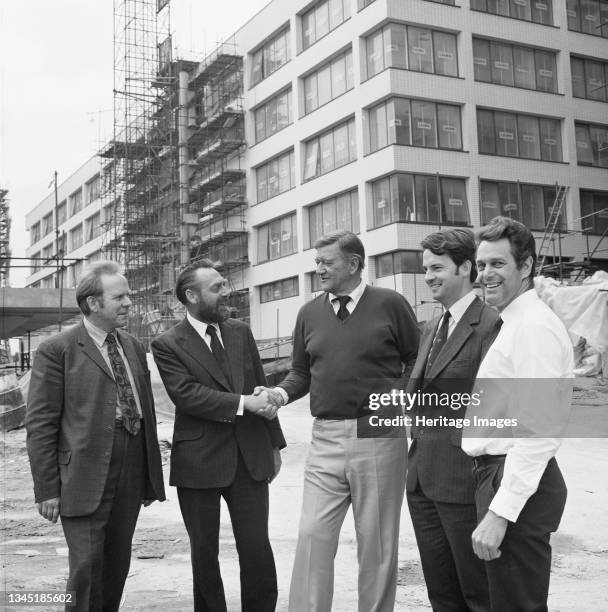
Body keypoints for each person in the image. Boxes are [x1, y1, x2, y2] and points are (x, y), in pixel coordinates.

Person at [260, 230, 420, 612]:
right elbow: (300, 372)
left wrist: (398, 397)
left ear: (353, 263)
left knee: (377, 543)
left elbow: (417, 360)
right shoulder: (309, 313)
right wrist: (279, 395)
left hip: (379, 434)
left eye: (326, 262)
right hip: (325, 436)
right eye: (317, 262)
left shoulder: (391, 304)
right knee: (313, 535)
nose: (319, 269)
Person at [25, 261, 166, 612]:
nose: (130, 302)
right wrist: (47, 489)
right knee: (87, 565)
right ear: (93, 303)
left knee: (117, 561)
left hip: (130, 464)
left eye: (129, 295)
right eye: (120, 296)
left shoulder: (132, 345)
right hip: (82, 474)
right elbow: (41, 424)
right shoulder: (57, 349)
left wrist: (150, 476)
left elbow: (144, 407)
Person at [151, 260, 286, 612]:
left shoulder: (240, 331)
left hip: (250, 457)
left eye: (225, 283)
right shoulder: (167, 344)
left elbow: (261, 384)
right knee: (204, 554)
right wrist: (244, 402)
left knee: (257, 548)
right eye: (217, 287)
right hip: (199, 462)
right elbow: (187, 395)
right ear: (191, 296)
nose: (227, 291)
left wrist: (274, 444)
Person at [463, 216, 574, 611]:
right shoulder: (514, 322)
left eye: (498, 264)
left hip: (516, 482)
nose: (486, 274)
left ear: (525, 267)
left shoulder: (533, 328)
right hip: (501, 476)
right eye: (481, 264)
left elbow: (539, 429)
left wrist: (501, 513)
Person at [405, 228, 497, 611]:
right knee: (441, 595)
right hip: (422, 482)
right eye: (426, 268)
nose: (428, 276)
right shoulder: (432, 325)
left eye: (437, 267)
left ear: (466, 267)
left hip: (463, 482)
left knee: (477, 595)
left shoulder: (491, 325)